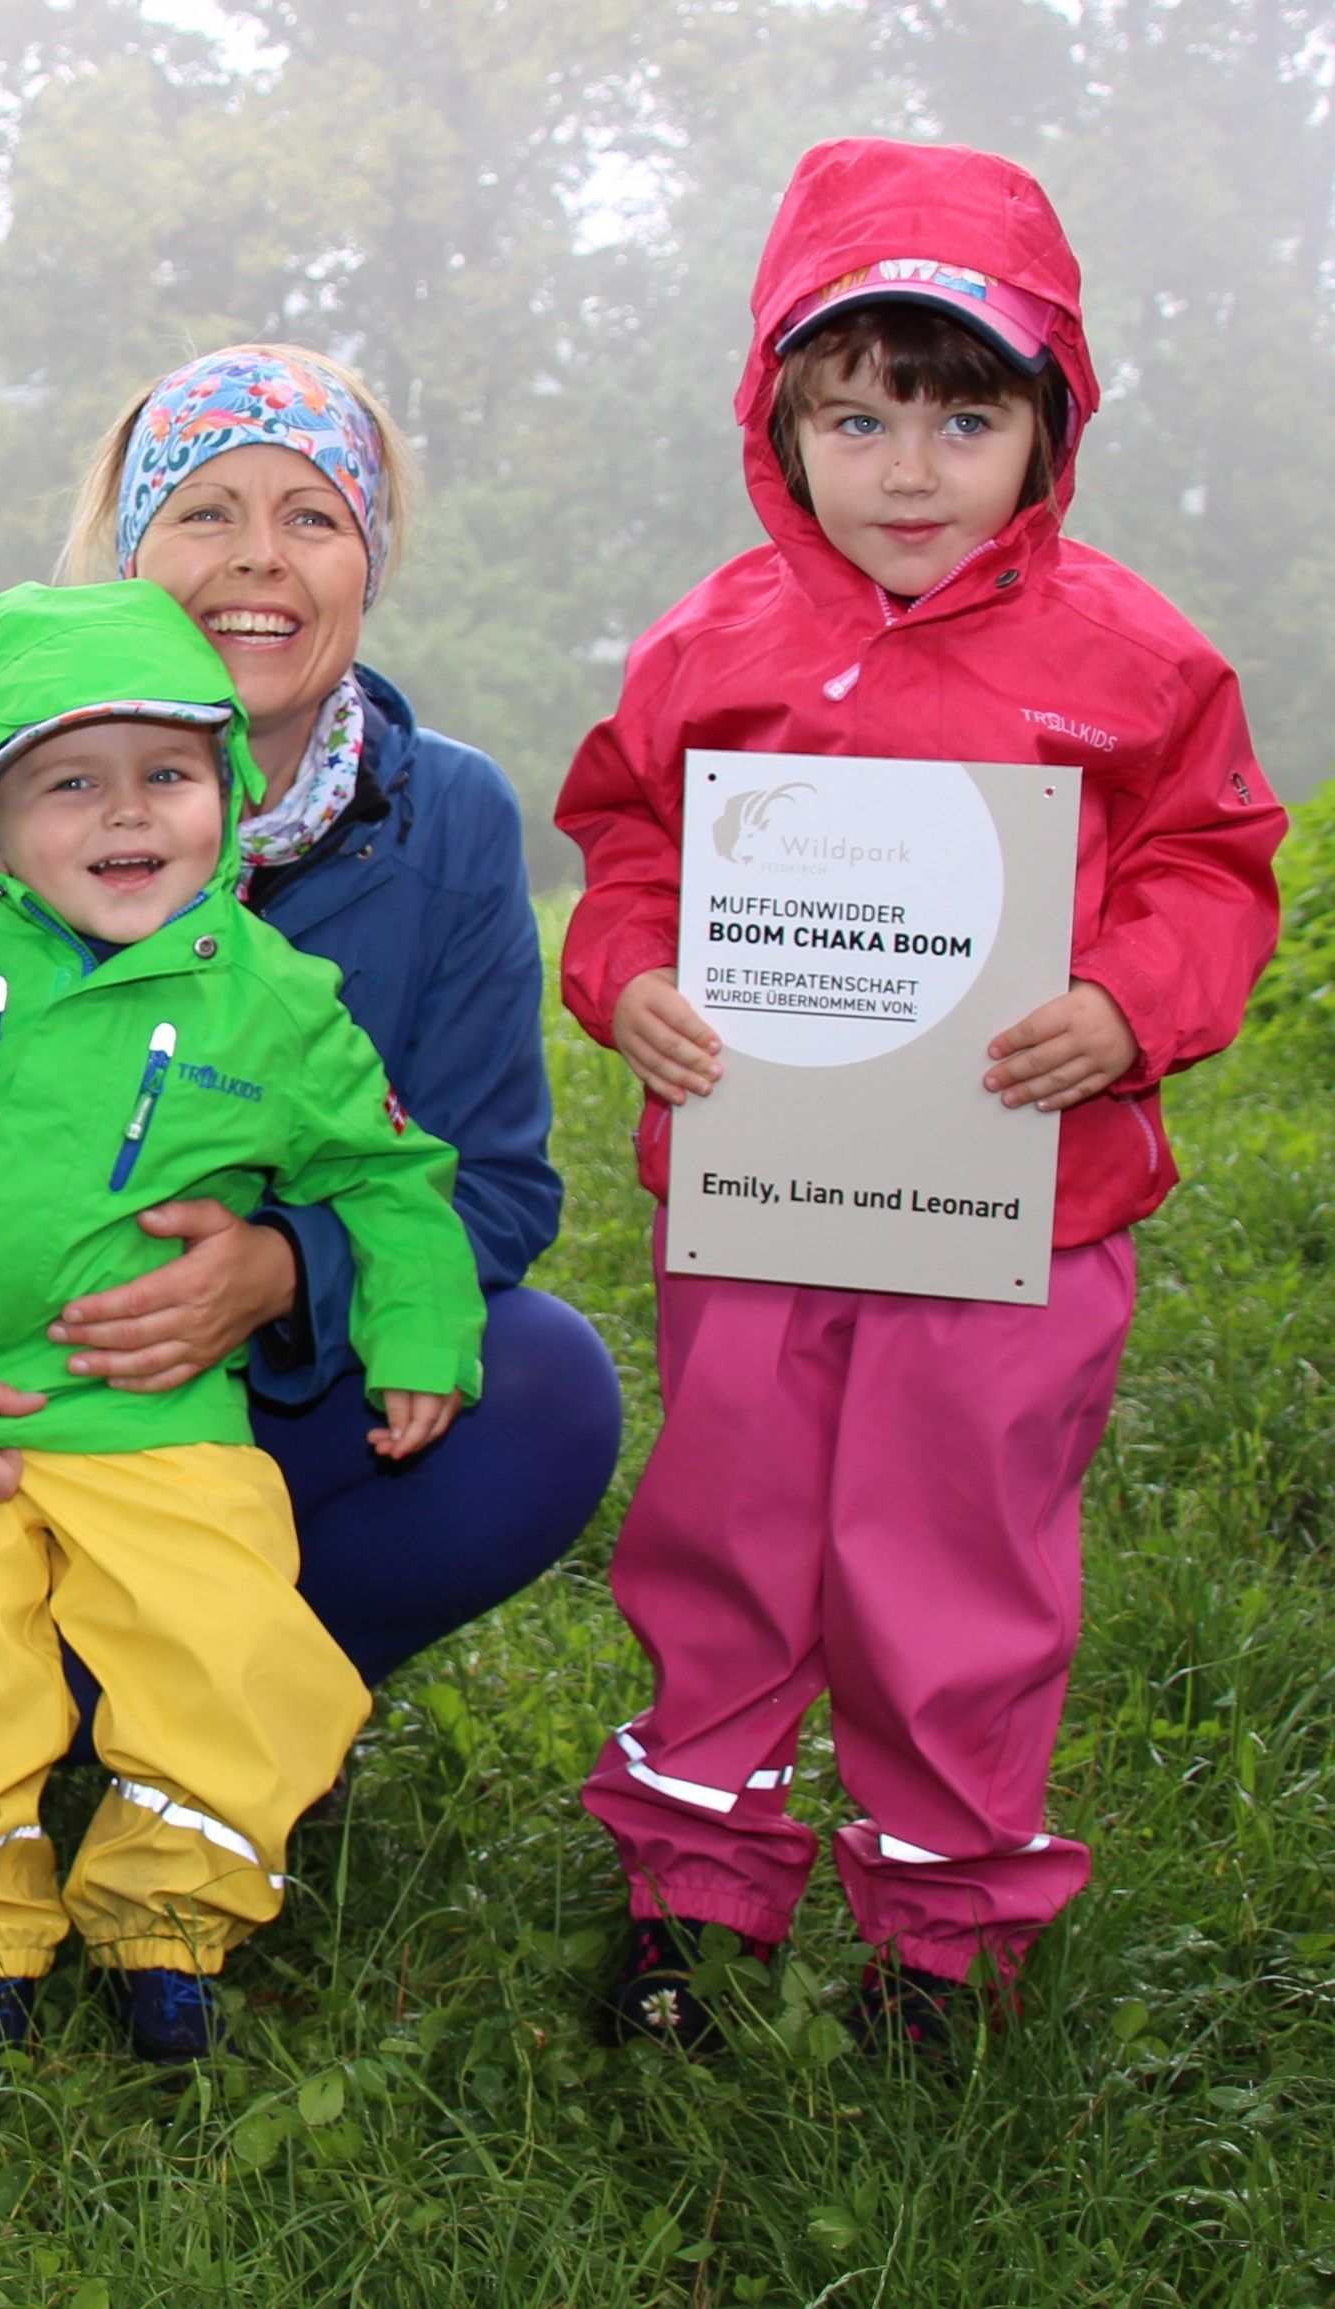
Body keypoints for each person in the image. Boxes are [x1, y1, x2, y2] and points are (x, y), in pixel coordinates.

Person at [556, 138, 1282, 2062]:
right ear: (775, 421)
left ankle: (938, 1933)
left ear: (1045, 425)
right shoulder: (712, 646)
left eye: (961, 417)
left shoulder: (1131, 660)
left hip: (1017, 1221)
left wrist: (1127, 1005)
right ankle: (688, 1899)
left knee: (950, 1558)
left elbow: (1213, 868)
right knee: (724, 1532)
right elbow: (628, 843)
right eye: (857, 415)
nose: (903, 468)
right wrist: (624, 975)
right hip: (760, 1202)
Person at [0, 343, 622, 1710]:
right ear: (130, 553)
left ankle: (218, 1716)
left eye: (310, 516)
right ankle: (13, 1689)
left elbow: (485, 1184)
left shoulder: (449, 816)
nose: (258, 558)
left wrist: (283, 1269)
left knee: (546, 1386)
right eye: (206, 511)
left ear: (365, 563)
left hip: (253, 1407)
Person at [0, 579, 484, 2075]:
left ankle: (172, 1921)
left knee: (233, 1660)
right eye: (70, 782)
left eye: (170, 774)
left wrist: (414, 1328)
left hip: (159, 1423)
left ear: (229, 797)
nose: (127, 815)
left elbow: (388, 1169)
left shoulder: (272, 997)